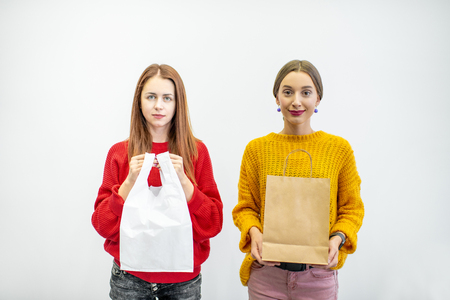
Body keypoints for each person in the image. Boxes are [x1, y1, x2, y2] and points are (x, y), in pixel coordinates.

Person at [232, 60, 364, 299]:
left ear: (318, 99)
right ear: (276, 98)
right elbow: (246, 208)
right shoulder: (256, 150)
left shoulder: (338, 150)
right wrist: (254, 232)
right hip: (266, 278)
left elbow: (352, 209)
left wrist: (338, 238)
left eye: (306, 92)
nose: (296, 101)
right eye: (287, 92)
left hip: (318, 278)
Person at [92, 64, 223, 300]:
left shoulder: (196, 152)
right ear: (139, 101)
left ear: (177, 103)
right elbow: (102, 225)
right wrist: (128, 183)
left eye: (167, 98)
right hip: (129, 279)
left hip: (183, 281)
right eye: (151, 97)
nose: (158, 105)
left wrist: (183, 181)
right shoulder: (120, 154)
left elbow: (213, 223)